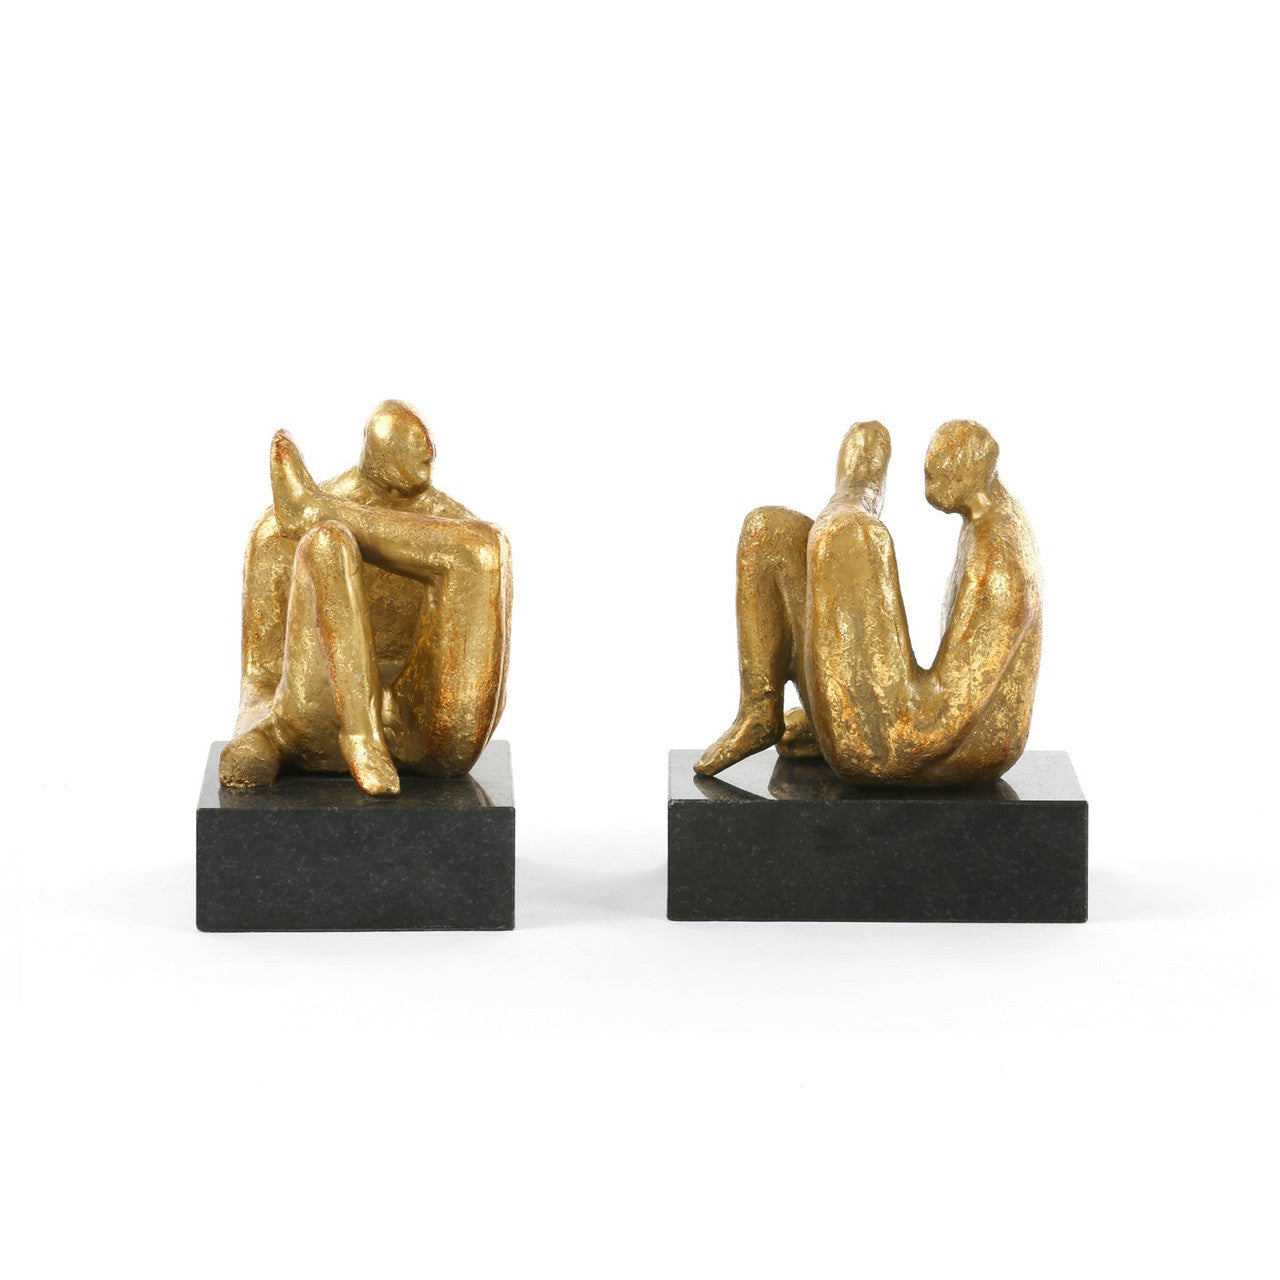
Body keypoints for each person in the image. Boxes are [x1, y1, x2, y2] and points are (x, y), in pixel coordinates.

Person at [696, 419, 1041, 786]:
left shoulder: (1001, 566)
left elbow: (941, 720)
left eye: (937, 475)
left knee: (853, 534)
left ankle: (858, 488)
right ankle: (759, 712)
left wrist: (855, 731)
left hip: (921, 741)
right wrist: (832, 715)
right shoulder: (986, 522)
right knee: (768, 530)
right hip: (915, 726)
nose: (929, 484)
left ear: (971, 471)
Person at [219, 400, 512, 795]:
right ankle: (360, 734)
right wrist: (258, 736)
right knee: (327, 542)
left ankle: (312, 510)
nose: (429, 455)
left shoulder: (453, 528)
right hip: (320, 714)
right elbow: (261, 674)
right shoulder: (274, 533)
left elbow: (485, 674)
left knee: (485, 551)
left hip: (423, 733)